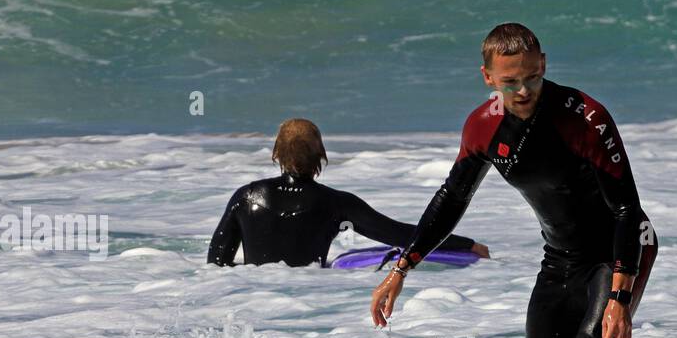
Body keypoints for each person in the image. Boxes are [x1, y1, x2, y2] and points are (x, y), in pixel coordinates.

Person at [369, 23, 657, 338]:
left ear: (543, 66)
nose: (523, 90)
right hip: (559, 261)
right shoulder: (483, 128)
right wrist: (400, 270)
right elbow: (452, 199)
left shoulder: (584, 117)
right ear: (488, 78)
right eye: (510, 82)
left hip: (617, 252)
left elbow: (627, 211)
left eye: (531, 77)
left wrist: (620, 296)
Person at [207, 118, 488, 267]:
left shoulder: (246, 197)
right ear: (321, 153)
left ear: (276, 153)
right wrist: (465, 244)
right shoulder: (335, 204)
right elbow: (400, 235)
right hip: (310, 300)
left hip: (255, 299)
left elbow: (216, 263)